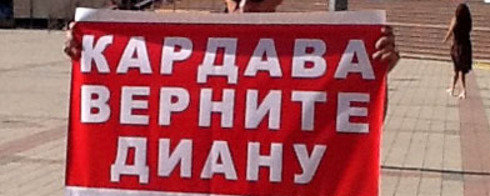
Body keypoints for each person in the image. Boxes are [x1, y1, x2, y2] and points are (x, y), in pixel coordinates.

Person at [64, 0, 400, 73]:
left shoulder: (313, 56)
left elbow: (353, 135)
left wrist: (374, 71)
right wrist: (91, 51)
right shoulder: (183, 48)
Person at [443, 3, 472, 99]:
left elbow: (450, 31)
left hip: (457, 46)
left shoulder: (455, 19)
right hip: (466, 46)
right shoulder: (468, 21)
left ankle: (463, 91)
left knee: (458, 69)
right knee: (459, 69)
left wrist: (445, 40)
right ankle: (452, 88)